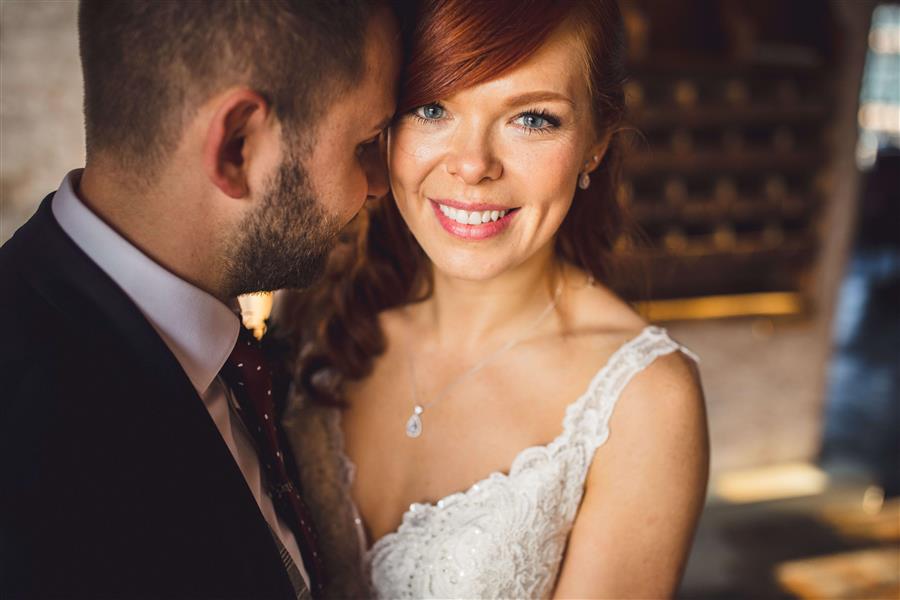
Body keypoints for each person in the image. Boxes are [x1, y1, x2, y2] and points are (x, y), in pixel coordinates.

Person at [279, 0, 709, 597]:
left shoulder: (643, 400)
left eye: (532, 119)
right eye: (431, 108)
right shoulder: (312, 305)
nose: (473, 165)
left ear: (595, 144)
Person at [0, 1, 399, 598]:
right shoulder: (30, 455)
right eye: (364, 143)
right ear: (238, 145)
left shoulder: (245, 347)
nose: (379, 183)